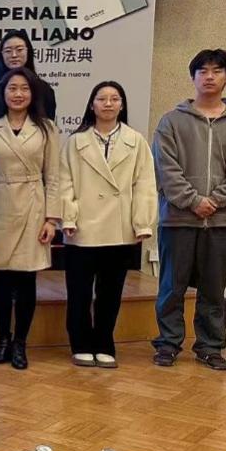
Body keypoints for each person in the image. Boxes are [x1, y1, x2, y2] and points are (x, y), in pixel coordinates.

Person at [151, 49, 226, 371]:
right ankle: (168, 343)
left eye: (217, 70)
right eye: (203, 70)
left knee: (214, 288)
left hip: (222, 220)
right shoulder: (171, 121)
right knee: (172, 286)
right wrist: (193, 200)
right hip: (178, 218)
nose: (209, 76)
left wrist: (217, 200)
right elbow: (165, 168)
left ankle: (210, 346)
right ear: (193, 76)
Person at [60, 81, 157, 368]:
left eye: (114, 98)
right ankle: (80, 343)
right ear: (92, 104)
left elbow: (145, 185)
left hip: (119, 227)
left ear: (122, 105)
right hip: (82, 227)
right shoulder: (76, 141)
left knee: (110, 293)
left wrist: (142, 222)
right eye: (101, 98)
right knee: (78, 292)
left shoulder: (135, 141)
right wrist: (68, 216)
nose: (108, 103)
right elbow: (64, 182)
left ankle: (104, 343)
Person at [0, 68, 60, 370]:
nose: (18, 94)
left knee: (26, 280)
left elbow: (54, 176)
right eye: (12, 88)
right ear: (3, 93)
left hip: (33, 207)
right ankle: (2, 340)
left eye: (24, 88)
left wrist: (52, 219)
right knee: (0, 279)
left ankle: (20, 344)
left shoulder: (47, 129)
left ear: (33, 93)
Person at [0, 29, 57, 127]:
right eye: (8, 51)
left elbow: (49, 128)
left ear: (28, 52)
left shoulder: (44, 90)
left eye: (19, 50)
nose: (14, 55)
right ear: (1, 55)